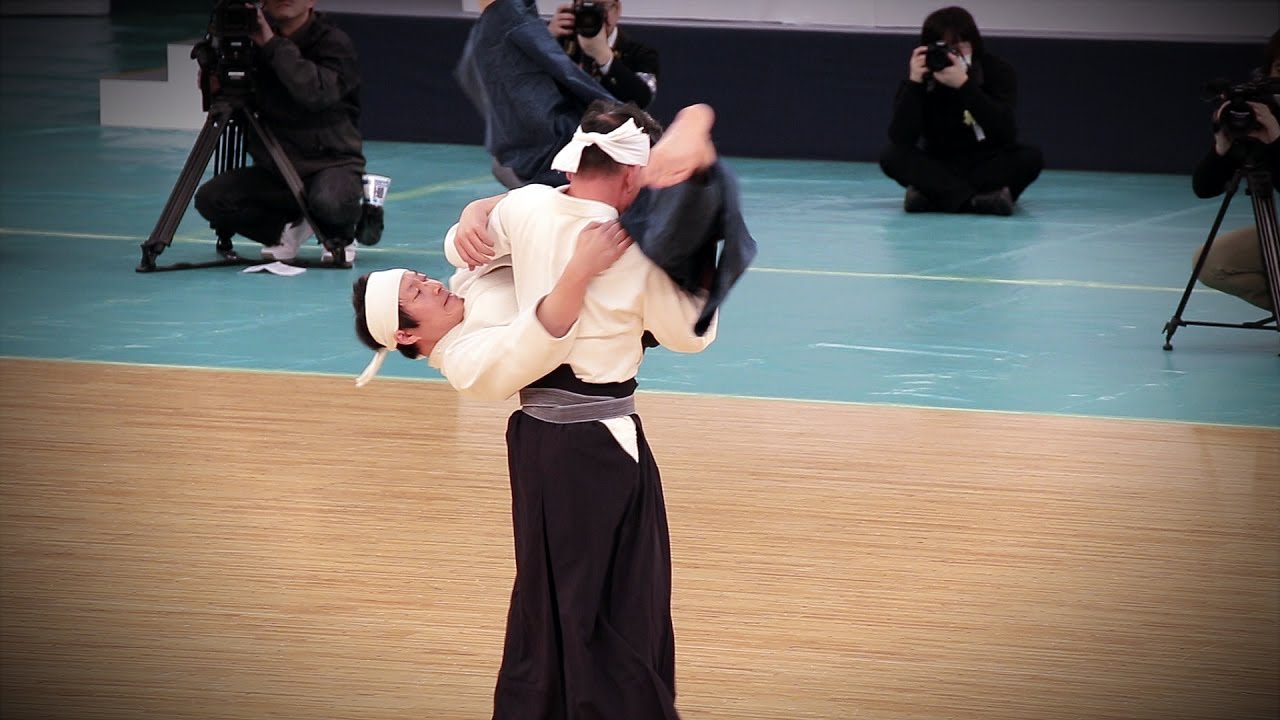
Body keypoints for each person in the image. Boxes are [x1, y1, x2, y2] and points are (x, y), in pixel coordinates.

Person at [445, 98, 728, 720]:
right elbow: (691, 336)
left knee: (546, 595)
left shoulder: (524, 207)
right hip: (601, 445)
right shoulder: (635, 248)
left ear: (576, 160)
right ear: (633, 175)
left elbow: (460, 246)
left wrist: (477, 208)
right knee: (620, 599)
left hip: (534, 440)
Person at [351, 219, 633, 400]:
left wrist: (476, 211)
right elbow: (543, 335)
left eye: (423, 278)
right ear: (405, 336)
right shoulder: (465, 366)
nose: (434, 286)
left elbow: (512, 218)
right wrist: (583, 265)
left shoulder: (465, 282)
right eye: (418, 293)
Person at [193, 0, 366, 265]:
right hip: (275, 169)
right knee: (212, 199)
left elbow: (316, 93)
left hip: (330, 164)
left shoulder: (333, 42)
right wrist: (216, 83)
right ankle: (284, 230)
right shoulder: (248, 41)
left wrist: (272, 44)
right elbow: (239, 111)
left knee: (331, 202)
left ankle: (339, 234)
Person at [879, 5, 1043, 215]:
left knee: (1030, 158)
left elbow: (1006, 132)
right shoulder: (923, 77)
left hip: (987, 162)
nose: (951, 56)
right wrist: (914, 85)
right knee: (891, 155)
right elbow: (901, 139)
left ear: (973, 43)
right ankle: (977, 201)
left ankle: (934, 197)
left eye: (957, 47)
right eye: (944, 48)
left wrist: (965, 86)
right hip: (939, 163)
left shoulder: (997, 70)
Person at [456, 0, 615, 189]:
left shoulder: (503, 23)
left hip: (526, 151)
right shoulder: (509, 20)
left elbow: (568, 75)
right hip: (541, 151)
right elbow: (568, 74)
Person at [1190, 29, 1280, 313]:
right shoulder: (1263, 115)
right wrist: (1222, 146)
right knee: (1210, 262)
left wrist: (1278, 143)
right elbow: (1204, 189)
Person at [547, 0, 660, 109]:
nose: (593, 15)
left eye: (602, 6)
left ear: (617, 9)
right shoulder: (558, 43)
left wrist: (605, 57)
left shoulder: (640, 54)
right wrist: (544, 41)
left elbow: (642, 101)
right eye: (586, 5)